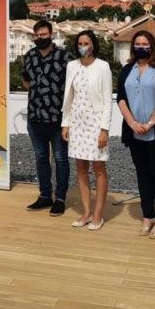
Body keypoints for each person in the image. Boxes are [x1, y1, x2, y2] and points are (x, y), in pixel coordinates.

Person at [117, 30, 155, 239]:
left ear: (152, 46)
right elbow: (121, 98)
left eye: (145, 44)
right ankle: (147, 215)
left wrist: (150, 123)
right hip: (134, 132)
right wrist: (132, 122)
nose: (141, 47)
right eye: (138, 43)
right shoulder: (127, 70)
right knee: (142, 174)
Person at [61, 30, 113, 231]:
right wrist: (65, 123)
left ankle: (98, 214)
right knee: (80, 168)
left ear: (93, 45)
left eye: (87, 43)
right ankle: (86, 212)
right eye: (80, 43)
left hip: (95, 123)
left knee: (99, 168)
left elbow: (108, 101)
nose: (83, 46)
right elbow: (69, 97)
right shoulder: (72, 66)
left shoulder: (103, 67)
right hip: (77, 122)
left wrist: (104, 129)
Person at [21, 19, 71, 216]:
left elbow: (74, 83)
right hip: (35, 118)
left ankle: (60, 199)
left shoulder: (64, 56)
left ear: (51, 34)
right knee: (41, 158)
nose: (40, 38)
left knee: (60, 159)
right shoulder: (29, 55)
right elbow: (25, 79)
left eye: (44, 34)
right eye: (37, 35)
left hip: (58, 119)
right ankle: (44, 196)